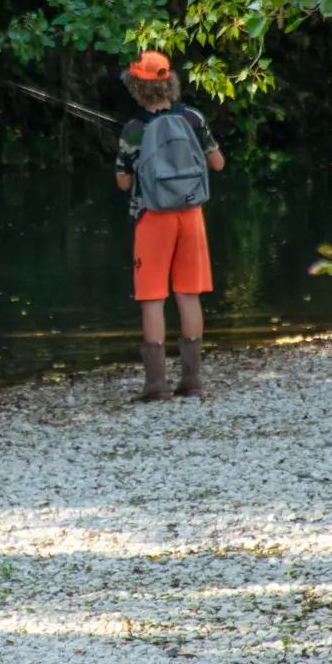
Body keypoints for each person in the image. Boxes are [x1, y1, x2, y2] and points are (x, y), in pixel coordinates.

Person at [113, 51, 225, 401]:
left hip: (153, 218)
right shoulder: (192, 117)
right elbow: (217, 164)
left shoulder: (133, 129)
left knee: (152, 299)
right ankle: (192, 382)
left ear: (135, 87)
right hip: (191, 216)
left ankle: (156, 386)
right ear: (170, 82)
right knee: (188, 294)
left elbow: (123, 183)